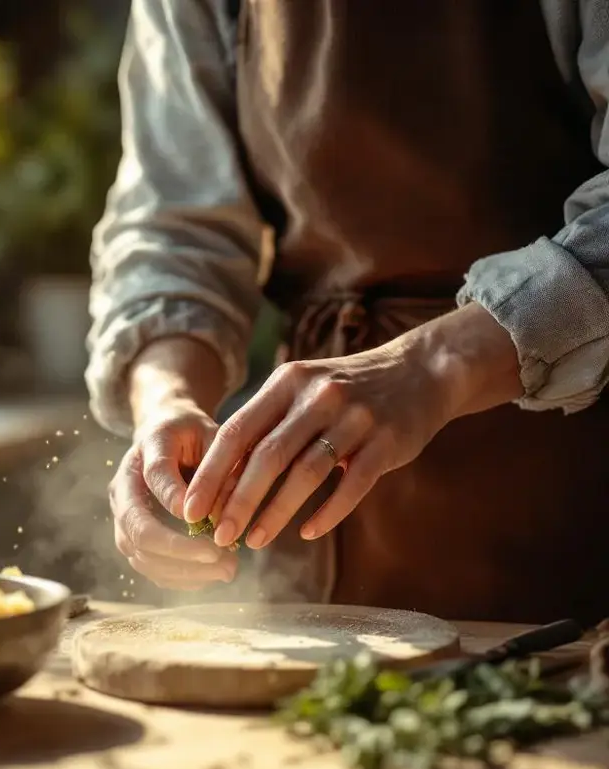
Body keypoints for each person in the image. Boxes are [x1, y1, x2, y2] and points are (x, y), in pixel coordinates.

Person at [89, 0, 609, 624]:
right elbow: (175, 228)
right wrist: (167, 399)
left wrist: (435, 364)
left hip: (573, 505)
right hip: (316, 539)